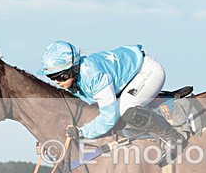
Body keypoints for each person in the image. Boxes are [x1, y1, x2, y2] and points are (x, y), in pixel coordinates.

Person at [37, 40, 183, 160]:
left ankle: (172, 137)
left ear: (74, 68)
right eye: (51, 77)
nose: (56, 81)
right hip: (130, 79)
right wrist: (47, 138)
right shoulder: (74, 79)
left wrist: (82, 132)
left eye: (60, 76)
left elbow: (109, 118)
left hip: (147, 72)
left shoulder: (94, 77)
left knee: (124, 109)